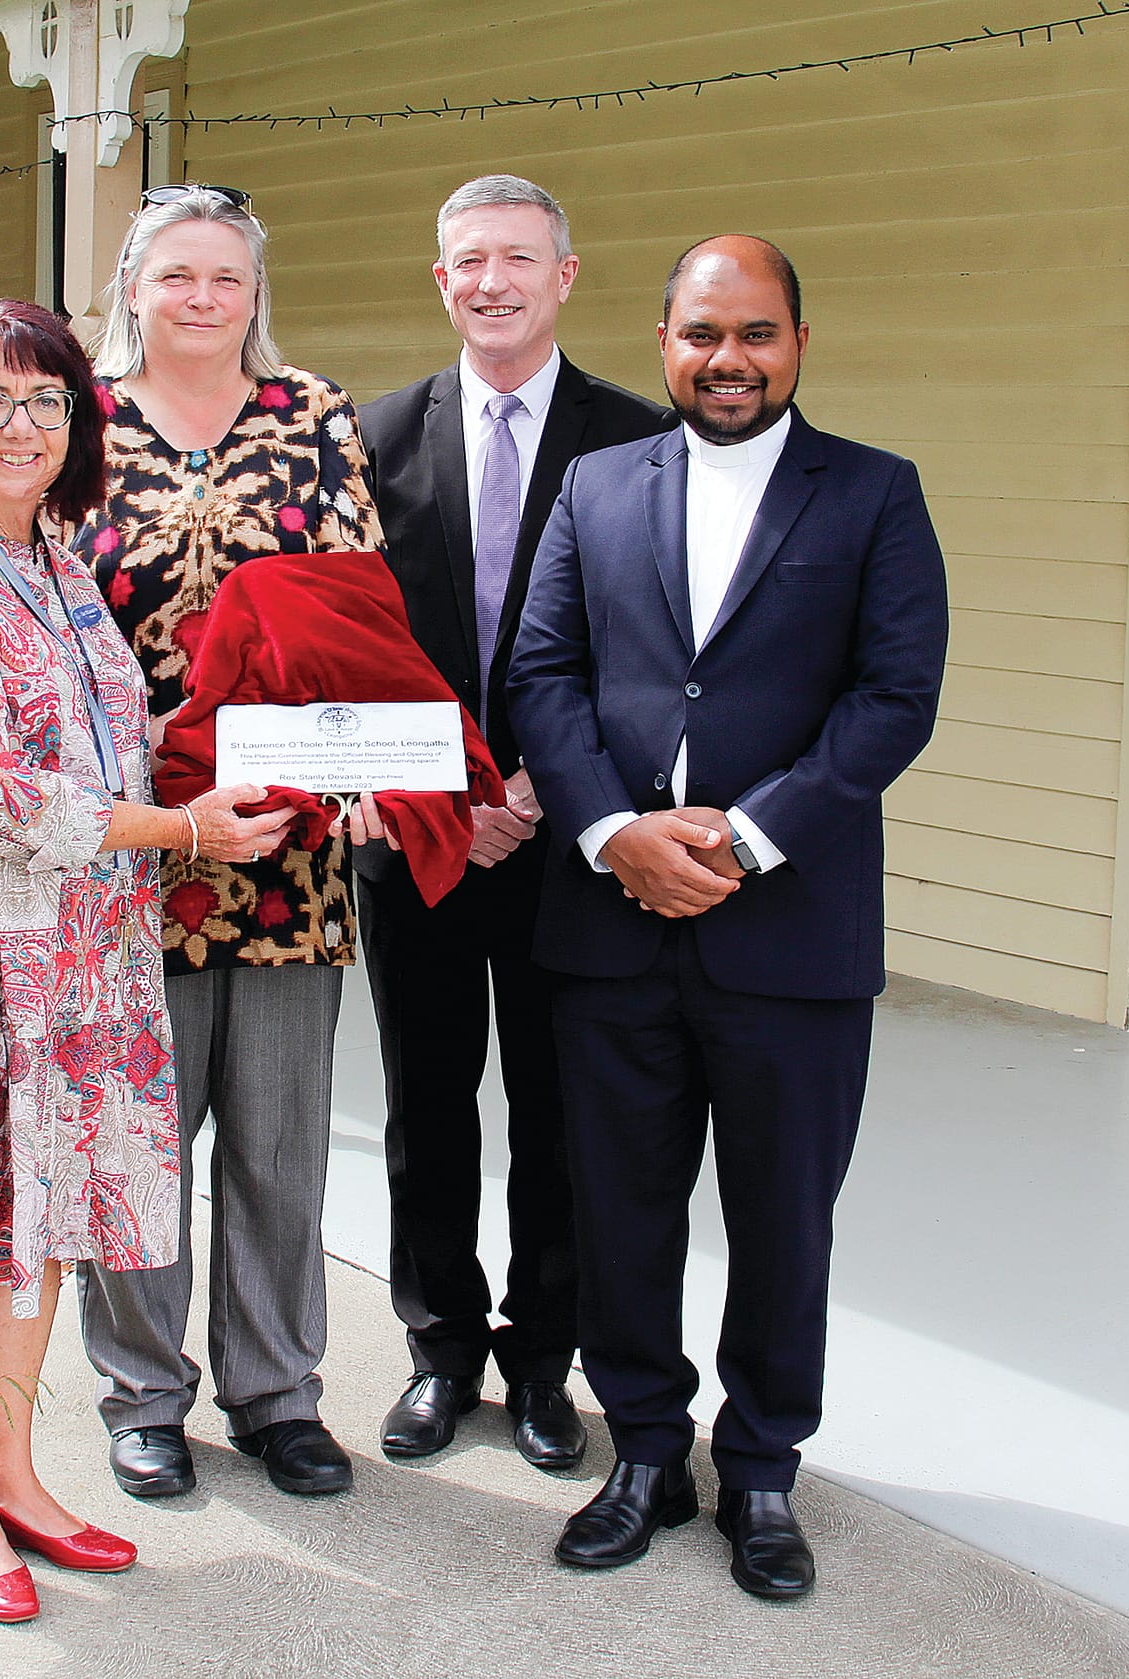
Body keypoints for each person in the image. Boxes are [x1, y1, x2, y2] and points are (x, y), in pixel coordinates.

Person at [0, 298, 291, 1624]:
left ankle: (18, 1472)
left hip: (76, 949)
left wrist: (260, 759)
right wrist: (185, 832)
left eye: (46, 400)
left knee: (34, 1214)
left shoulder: (63, 567)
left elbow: (110, 753)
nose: (20, 426)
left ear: (78, 423)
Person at [507, 237, 948, 1599]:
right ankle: (643, 1447)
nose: (729, 359)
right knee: (620, 1206)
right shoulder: (595, 487)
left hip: (792, 937)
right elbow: (542, 668)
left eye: (756, 334)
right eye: (704, 334)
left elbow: (893, 699)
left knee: (782, 1219)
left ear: (798, 345)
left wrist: (746, 840)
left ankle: (761, 1469)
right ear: (663, 342)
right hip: (612, 926)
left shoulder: (874, 495)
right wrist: (611, 833)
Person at [351, 174, 666, 1470]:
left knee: (558, 1108)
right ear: (441, 280)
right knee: (426, 1100)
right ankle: (440, 1350)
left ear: (565, 275)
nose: (494, 280)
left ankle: (543, 1363)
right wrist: (444, 797)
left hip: (569, 838)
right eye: (469, 259)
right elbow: (348, 655)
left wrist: (546, 783)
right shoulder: (370, 440)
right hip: (417, 841)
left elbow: (657, 651)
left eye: (519, 258)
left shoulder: (636, 441)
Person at [79, 185, 385, 1501]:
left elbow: (358, 603)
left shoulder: (309, 414)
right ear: (133, 285)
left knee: (276, 1141)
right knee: (141, 1137)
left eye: (228, 278)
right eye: (178, 275)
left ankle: (277, 1395)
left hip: (286, 848)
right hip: (129, 845)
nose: (203, 299)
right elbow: (34, 624)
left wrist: (372, 768)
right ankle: (144, 1397)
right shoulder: (75, 421)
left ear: (257, 293)